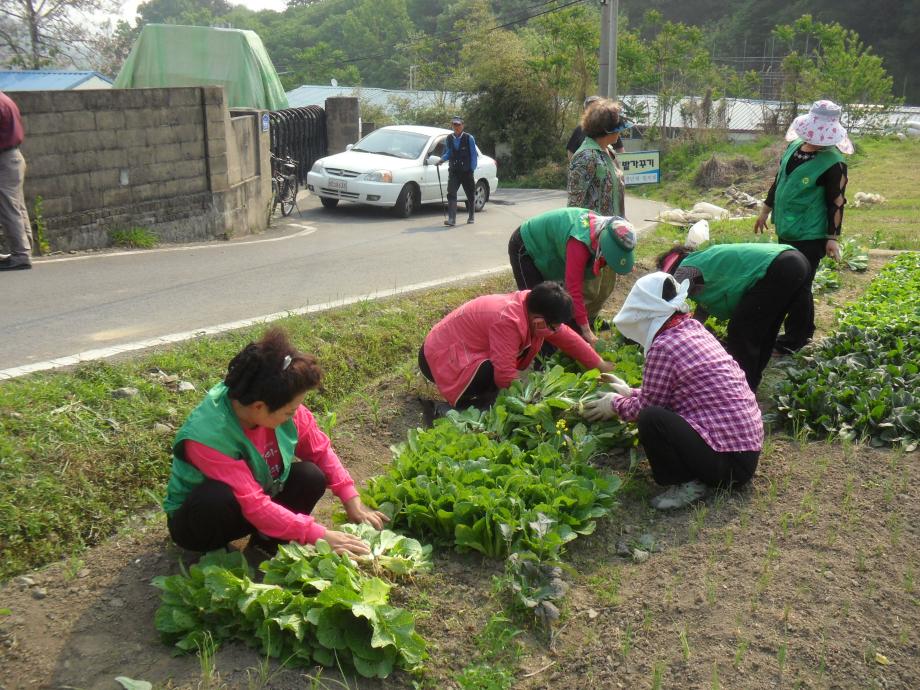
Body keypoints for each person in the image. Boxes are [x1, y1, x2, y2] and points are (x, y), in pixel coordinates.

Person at [162, 328, 387, 557]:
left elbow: (320, 450)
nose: (296, 414)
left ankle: (264, 543)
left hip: (255, 502)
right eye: (290, 412)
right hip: (201, 520)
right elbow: (253, 504)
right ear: (259, 406)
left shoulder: (273, 403)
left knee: (311, 476)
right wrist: (320, 535)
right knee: (216, 498)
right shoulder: (208, 436)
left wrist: (352, 500)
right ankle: (211, 555)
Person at [582, 272, 763, 510]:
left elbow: (649, 407)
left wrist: (614, 404)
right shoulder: (691, 328)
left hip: (727, 464)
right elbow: (670, 392)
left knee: (651, 418)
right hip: (745, 453)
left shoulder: (664, 346)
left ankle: (687, 483)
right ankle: (699, 475)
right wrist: (630, 392)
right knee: (655, 413)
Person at [419, 281, 614, 411]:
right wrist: (530, 402)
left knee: (499, 370)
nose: (556, 331)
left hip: (457, 348)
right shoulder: (508, 320)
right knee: (490, 372)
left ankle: (484, 399)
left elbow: (567, 337)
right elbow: (504, 375)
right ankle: (471, 405)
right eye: (553, 327)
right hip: (436, 357)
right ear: (539, 321)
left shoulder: (533, 304)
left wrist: (600, 365)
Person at [754, 99, 852, 354]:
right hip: (787, 228)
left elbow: (837, 203)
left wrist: (832, 237)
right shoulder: (795, 147)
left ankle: (795, 339)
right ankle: (803, 331)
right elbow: (780, 179)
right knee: (793, 281)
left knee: (798, 284)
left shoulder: (833, 162)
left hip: (811, 233)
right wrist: (766, 209)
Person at [657, 242, 811, 391]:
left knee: (741, 332)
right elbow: (702, 307)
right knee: (766, 330)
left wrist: (661, 333)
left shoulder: (685, 269)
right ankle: (751, 383)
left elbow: (672, 305)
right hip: (795, 261)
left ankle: (740, 387)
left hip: (778, 268)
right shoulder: (703, 261)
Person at [508, 207, 636, 345]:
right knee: (539, 307)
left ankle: (555, 342)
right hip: (525, 244)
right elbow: (573, 289)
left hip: (551, 247)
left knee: (560, 313)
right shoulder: (579, 242)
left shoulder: (603, 229)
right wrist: (586, 330)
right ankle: (537, 354)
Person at [567, 97, 631, 217]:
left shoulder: (609, 151)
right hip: (592, 231)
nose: (620, 132)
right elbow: (573, 206)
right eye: (618, 129)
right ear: (606, 130)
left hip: (611, 227)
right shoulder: (586, 157)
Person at [0, 91, 32, 271]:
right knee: (17, 207)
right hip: (13, 157)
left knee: (8, 209)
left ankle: (21, 255)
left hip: (5, 159)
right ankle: (24, 250)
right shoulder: (4, 99)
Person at [438, 115, 478, 226]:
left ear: (462, 126)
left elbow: (474, 155)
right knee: (451, 193)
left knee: (470, 194)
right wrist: (442, 159)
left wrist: (472, 169)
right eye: (454, 124)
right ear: (452, 125)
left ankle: (471, 216)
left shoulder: (469, 138)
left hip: (467, 171)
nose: (456, 127)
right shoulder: (449, 138)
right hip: (454, 171)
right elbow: (449, 152)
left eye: (458, 124)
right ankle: (452, 219)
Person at [566, 95, 625, 161]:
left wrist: (619, 163)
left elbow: (620, 150)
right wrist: (574, 162)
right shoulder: (586, 156)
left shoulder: (609, 146)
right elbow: (571, 151)